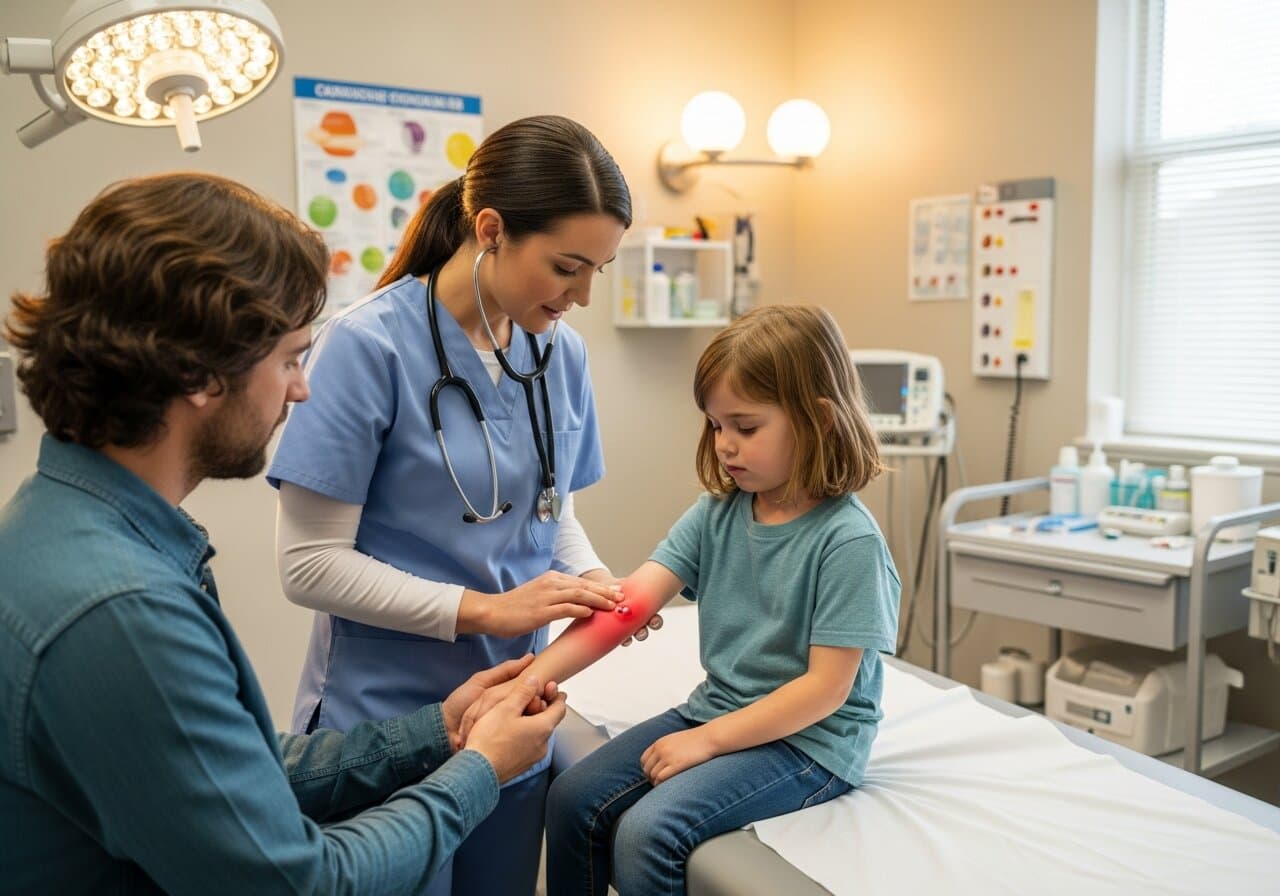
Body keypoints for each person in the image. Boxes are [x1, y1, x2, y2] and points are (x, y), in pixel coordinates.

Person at [0, 172, 566, 894]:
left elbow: (240, 773)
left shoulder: (72, 530)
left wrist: (430, 735)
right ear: (198, 374)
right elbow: (301, 883)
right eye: (291, 358)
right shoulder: (118, 610)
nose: (301, 389)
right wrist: (477, 770)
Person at [267, 114, 654, 895]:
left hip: (514, 717)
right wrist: (489, 609)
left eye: (598, 272)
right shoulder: (365, 345)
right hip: (382, 727)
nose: (581, 295)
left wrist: (597, 584)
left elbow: (551, 512)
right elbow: (307, 565)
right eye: (567, 266)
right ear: (490, 229)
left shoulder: (559, 353)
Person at [469, 304, 901, 896]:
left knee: (649, 832)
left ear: (820, 420)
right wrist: (524, 683)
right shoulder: (718, 514)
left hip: (812, 741)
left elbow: (825, 690)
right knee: (570, 797)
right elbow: (627, 608)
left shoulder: (847, 541)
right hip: (722, 707)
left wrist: (707, 740)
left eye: (745, 428)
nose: (725, 445)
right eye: (716, 426)